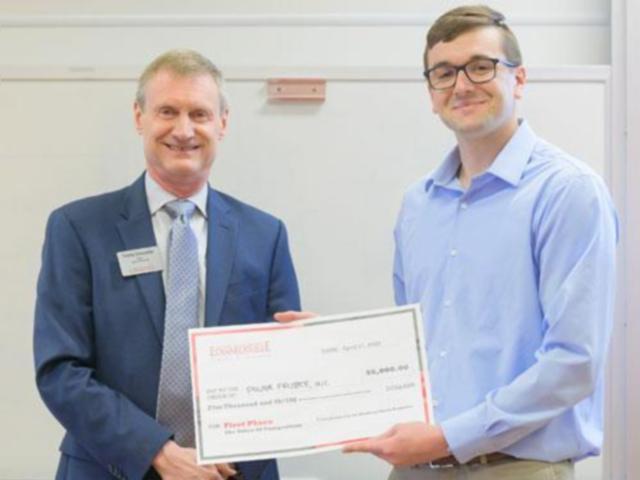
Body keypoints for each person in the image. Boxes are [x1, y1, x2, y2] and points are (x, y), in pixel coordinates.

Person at [278, 5, 617, 480]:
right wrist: (341, 350)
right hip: (419, 467)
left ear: (518, 80)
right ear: (431, 93)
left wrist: (449, 437)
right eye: (444, 72)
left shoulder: (567, 192)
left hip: (516, 469)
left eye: (481, 67)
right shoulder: (418, 204)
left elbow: (573, 362)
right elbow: (419, 345)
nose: (461, 84)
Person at [34, 49, 300, 480]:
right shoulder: (78, 229)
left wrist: (312, 352)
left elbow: (278, 368)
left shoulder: (265, 235)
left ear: (223, 123)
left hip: (232, 470)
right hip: (109, 468)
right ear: (139, 117)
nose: (184, 129)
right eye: (167, 111)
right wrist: (156, 450)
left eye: (199, 113)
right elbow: (60, 371)